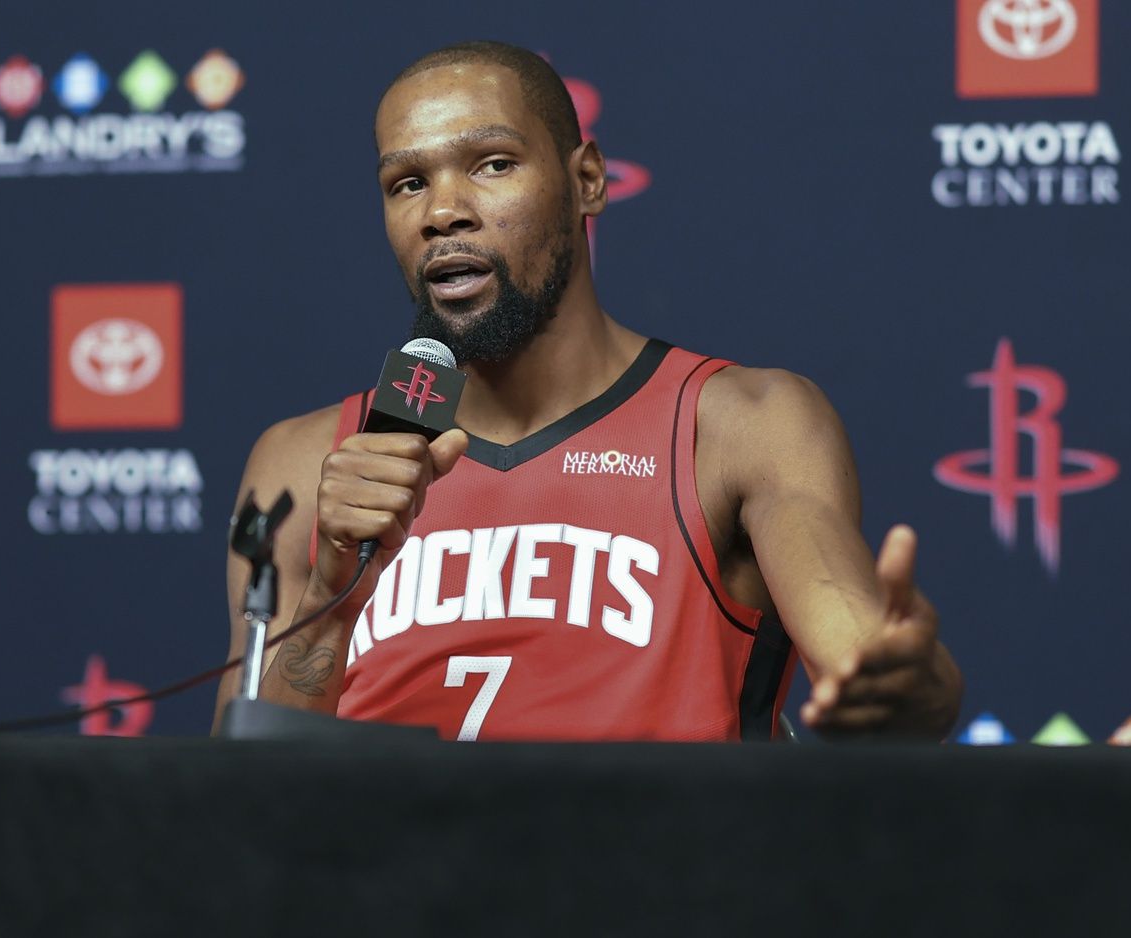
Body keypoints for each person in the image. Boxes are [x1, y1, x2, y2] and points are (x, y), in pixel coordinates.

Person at [213, 41, 962, 741]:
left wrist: (905, 680)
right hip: (382, 877)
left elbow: (862, 655)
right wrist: (330, 594)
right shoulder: (305, 462)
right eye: (407, 183)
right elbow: (240, 792)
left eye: (493, 164)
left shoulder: (741, 425)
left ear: (587, 181)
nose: (442, 212)